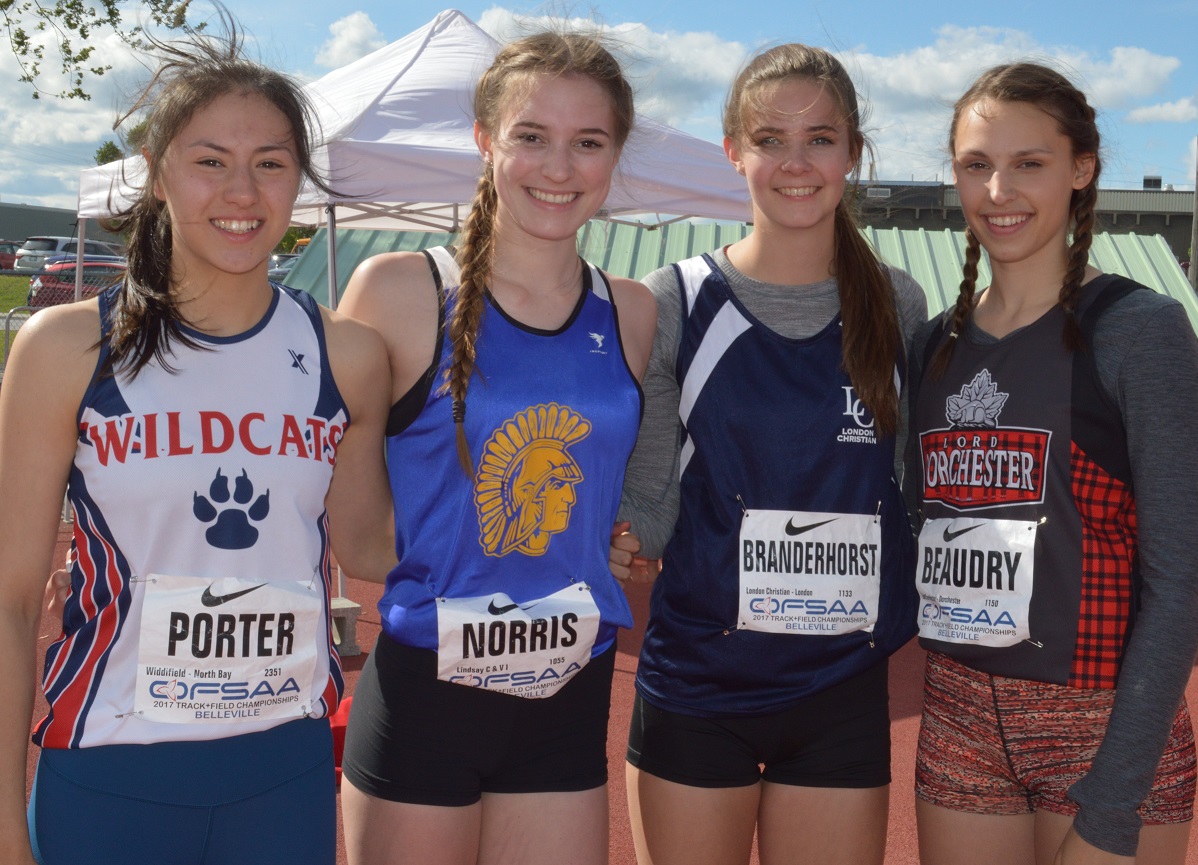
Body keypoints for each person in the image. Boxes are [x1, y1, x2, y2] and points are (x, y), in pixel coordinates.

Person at [0, 17, 393, 865]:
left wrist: (554, 515)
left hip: (282, 774)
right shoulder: (67, 348)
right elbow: (10, 599)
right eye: (210, 160)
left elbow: (373, 545)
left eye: (271, 163)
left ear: (299, 180)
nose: (241, 192)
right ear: (157, 174)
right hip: (110, 773)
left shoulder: (347, 354)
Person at [334, 31, 656, 865]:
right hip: (427, 694)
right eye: (532, 136)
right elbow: (356, 536)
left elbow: (604, 492)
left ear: (615, 155)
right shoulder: (401, 291)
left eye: (588, 142)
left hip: (570, 691)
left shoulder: (630, 311)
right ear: (485, 139)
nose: (559, 167)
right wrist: (485, 556)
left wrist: (591, 543)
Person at [614, 43, 925, 865]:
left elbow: (912, 484)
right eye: (769, 139)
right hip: (698, 685)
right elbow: (651, 497)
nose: (795, 162)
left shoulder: (895, 303)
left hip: (839, 690)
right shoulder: (676, 298)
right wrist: (619, 536)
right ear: (733, 151)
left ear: (852, 152)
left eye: (819, 139)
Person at [908, 62, 1198, 865]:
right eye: (976, 164)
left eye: (1028, 163)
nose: (997, 190)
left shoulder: (1138, 331)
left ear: (1080, 169)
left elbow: (1180, 581)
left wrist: (1112, 804)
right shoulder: (931, 346)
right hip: (958, 721)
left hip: (1105, 728)